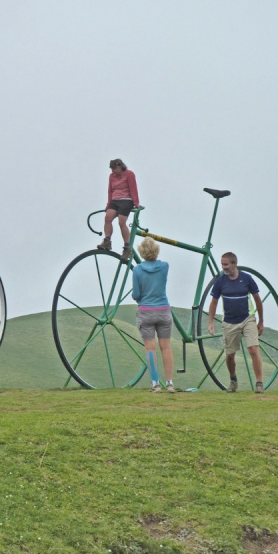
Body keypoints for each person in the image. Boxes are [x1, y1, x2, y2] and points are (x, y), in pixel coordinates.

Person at [207, 252, 265, 394]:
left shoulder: (247, 278)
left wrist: (261, 321)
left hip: (247, 319)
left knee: (253, 349)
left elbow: (257, 299)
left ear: (234, 264)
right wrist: (210, 323)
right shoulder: (220, 281)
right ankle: (233, 381)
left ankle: (259, 383)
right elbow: (213, 303)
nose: (223, 267)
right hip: (229, 322)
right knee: (230, 354)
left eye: (226, 264)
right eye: (222, 264)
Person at [132, 237, 175, 393]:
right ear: (156, 250)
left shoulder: (137, 270)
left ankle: (155, 383)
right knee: (166, 347)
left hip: (146, 312)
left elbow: (136, 294)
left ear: (141, 252)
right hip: (163, 310)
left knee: (150, 348)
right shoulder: (164, 267)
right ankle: (170, 383)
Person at [98, 158, 140, 262]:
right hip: (115, 200)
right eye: (111, 169)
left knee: (121, 222)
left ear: (120, 167)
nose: (113, 171)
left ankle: (127, 248)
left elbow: (133, 188)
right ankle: (107, 241)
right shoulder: (112, 177)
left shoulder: (129, 174)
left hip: (126, 200)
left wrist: (136, 203)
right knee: (108, 218)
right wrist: (108, 204)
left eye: (114, 169)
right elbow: (110, 191)